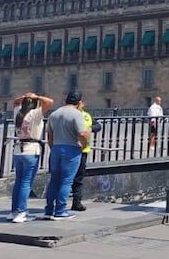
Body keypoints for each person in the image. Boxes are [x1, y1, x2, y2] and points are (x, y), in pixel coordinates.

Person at [43, 90, 91, 220]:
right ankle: (60, 210)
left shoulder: (54, 114)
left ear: (66, 100)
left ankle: (49, 210)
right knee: (66, 181)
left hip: (56, 149)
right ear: (79, 102)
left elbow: (50, 136)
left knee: (54, 180)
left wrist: (53, 147)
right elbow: (82, 134)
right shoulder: (77, 114)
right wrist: (83, 145)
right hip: (71, 149)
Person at [7, 92, 54, 223]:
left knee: (18, 181)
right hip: (31, 150)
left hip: (18, 150)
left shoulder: (18, 113)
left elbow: (15, 102)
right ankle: (21, 212)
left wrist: (25, 96)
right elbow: (49, 102)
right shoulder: (35, 113)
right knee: (26, 183)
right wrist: (36, 97)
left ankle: (14, 211)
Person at [70, 99, 102, 212]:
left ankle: (76, 202)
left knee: (79, 177)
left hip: (83, 151)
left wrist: (91, 128)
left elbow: (98, 126)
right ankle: (59, 204)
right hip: (71, 149)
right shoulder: (69, 114)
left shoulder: (87, 115)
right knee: (67, 177)